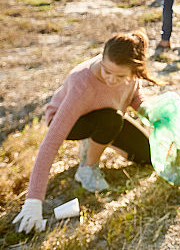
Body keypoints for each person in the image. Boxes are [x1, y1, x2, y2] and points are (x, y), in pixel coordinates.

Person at [13, 30, 158, 233]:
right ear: (102, 57)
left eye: (120, 76)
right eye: (107, 71)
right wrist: (33, 200)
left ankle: (99, 139)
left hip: (108, 116)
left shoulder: (130, 72)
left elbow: (133, 94)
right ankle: (87, 168)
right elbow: (51, 142)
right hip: (73, 121)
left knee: (148, 157)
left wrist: (150, 111)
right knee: (111, 119)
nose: (111, 79)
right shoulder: (82, 84)